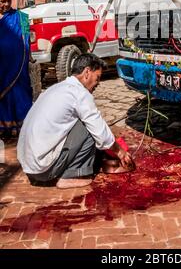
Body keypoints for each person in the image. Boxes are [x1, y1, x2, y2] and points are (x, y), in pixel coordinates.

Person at [17, 54, 134, 189]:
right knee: (89, 127)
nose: (98, 84)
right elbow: (101, 135)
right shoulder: (80, 93)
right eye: (97, 78)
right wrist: (120, 152)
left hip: (29, 167)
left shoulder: (57, 88)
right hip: (43, 170)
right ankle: (72, 175)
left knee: (85, 123)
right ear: (87, 72)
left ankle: (81, 166)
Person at [0, 0, 32, 137]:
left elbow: (27, 40)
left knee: (20, 96)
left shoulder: (21, 18)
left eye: (8, 1)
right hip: (1, 69)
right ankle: (5, 128)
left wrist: (29, 56)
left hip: (19, 69)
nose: (6, 4)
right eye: (2, 1)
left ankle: (22, 129)